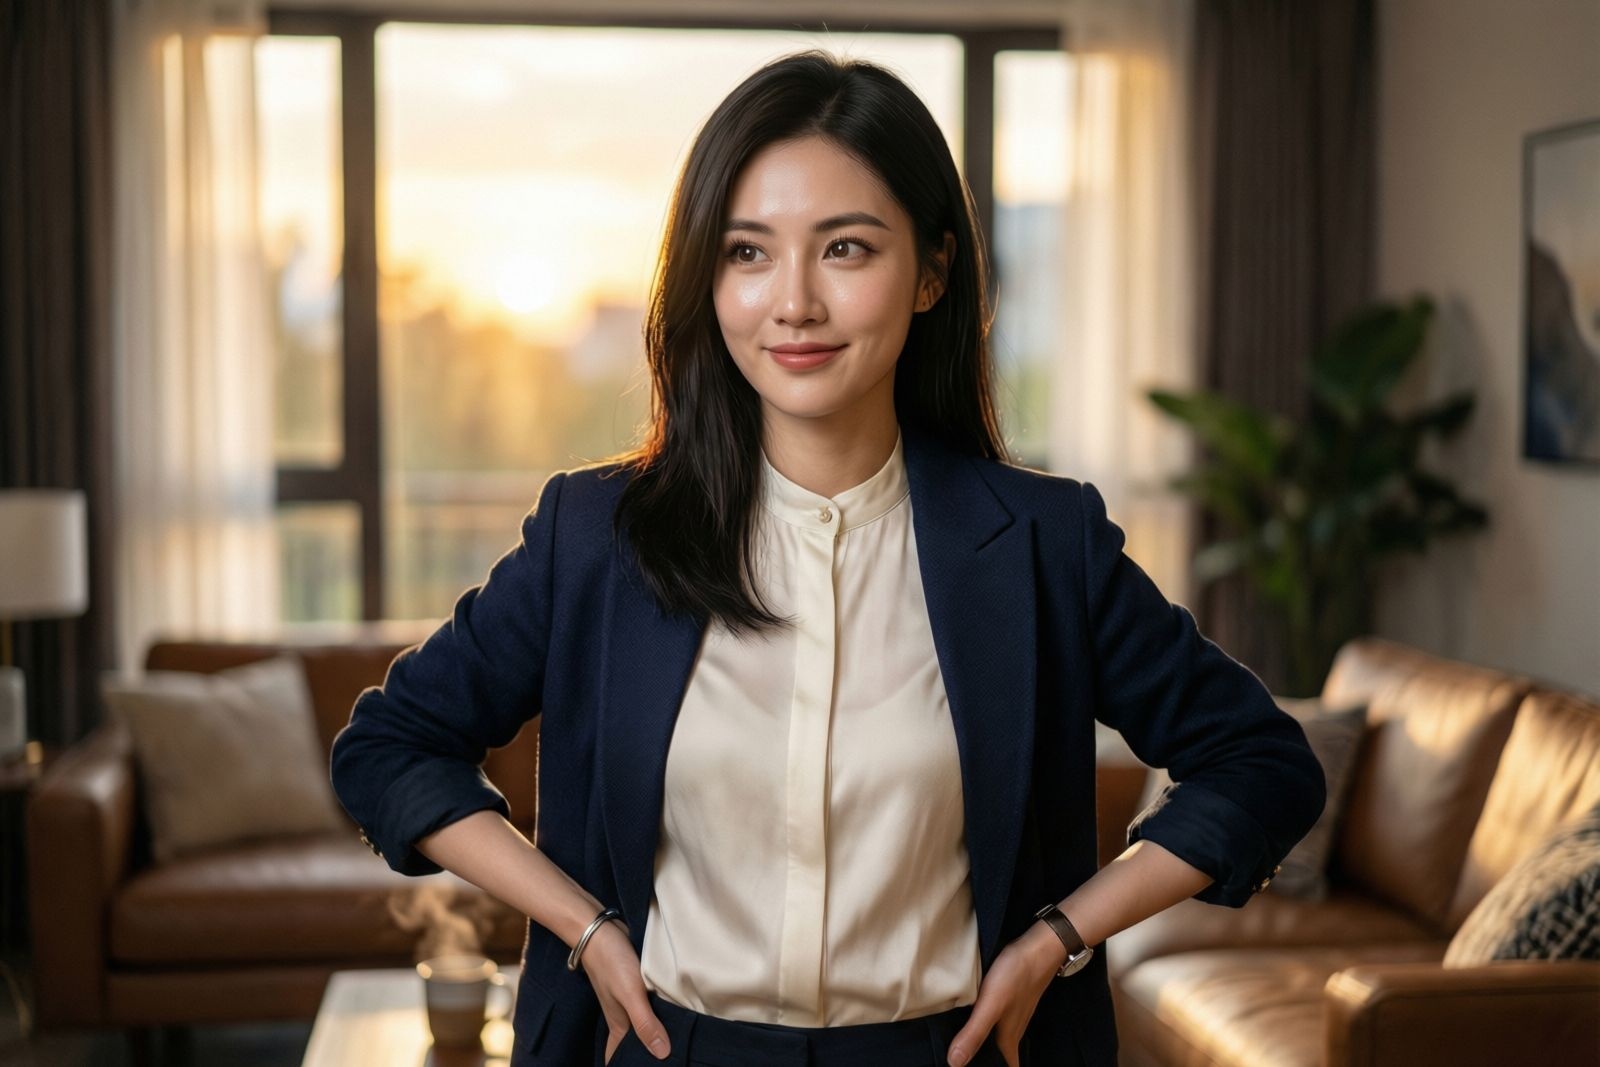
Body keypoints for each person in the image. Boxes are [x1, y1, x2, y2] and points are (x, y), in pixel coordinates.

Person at [329, 49, 1326, 1067]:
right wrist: (585, 927)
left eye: (844, 249)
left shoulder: (1040, 543)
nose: (792, 301)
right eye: (747, 253)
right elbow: (389, 749)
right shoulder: (600, 534)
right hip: (673, 1046)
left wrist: (1057, 939)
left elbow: (1259, 764)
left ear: (932, 271)